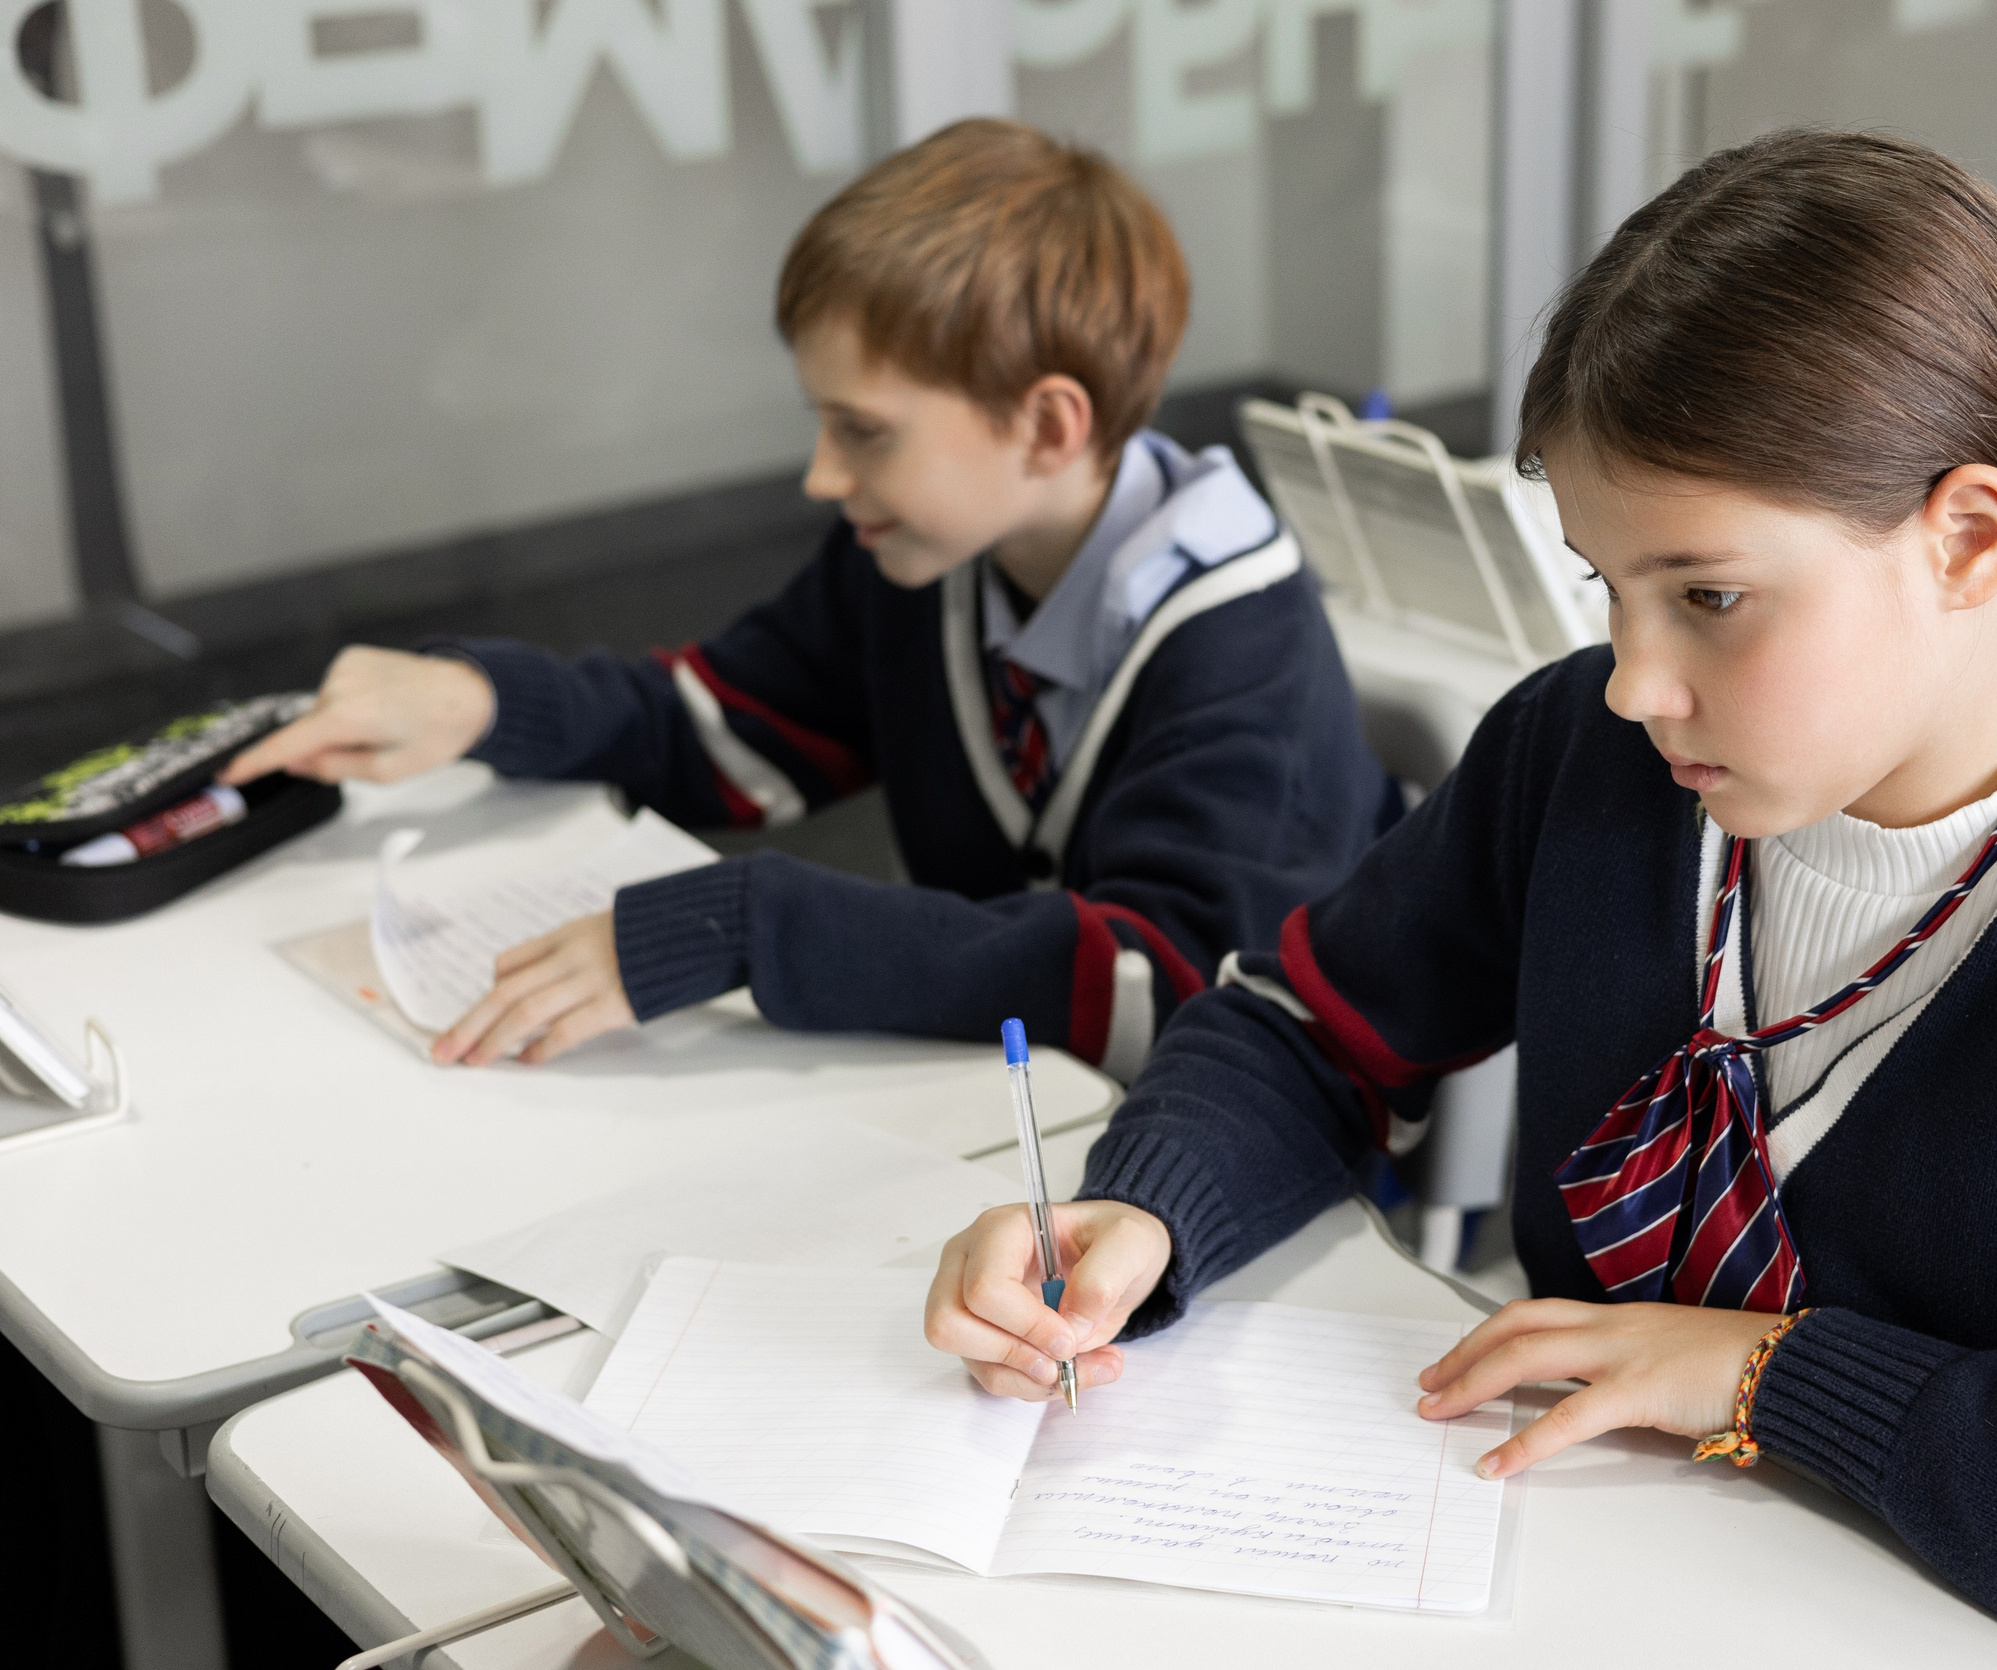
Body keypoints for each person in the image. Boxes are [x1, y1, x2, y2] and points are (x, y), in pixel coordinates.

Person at [925, 131, 1997, 1670]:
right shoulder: (1596, 759)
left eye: (1711, 597)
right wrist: (1149, 1208)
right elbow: (1308, 1022)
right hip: (1588, 1617)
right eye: (1609, 586)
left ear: (1969, 539)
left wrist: (1769, 1375)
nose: (1635, 678)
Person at [224, 119, 1394, 1074]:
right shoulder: (924, 560)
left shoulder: (1241, 653)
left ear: (1046, 425)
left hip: (1211, 1188)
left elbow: (1163, 992)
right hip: (992, 1112)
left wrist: (748, 927)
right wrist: (478, 702)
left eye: (864, 433)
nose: (824, 478)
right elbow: (724, 732)